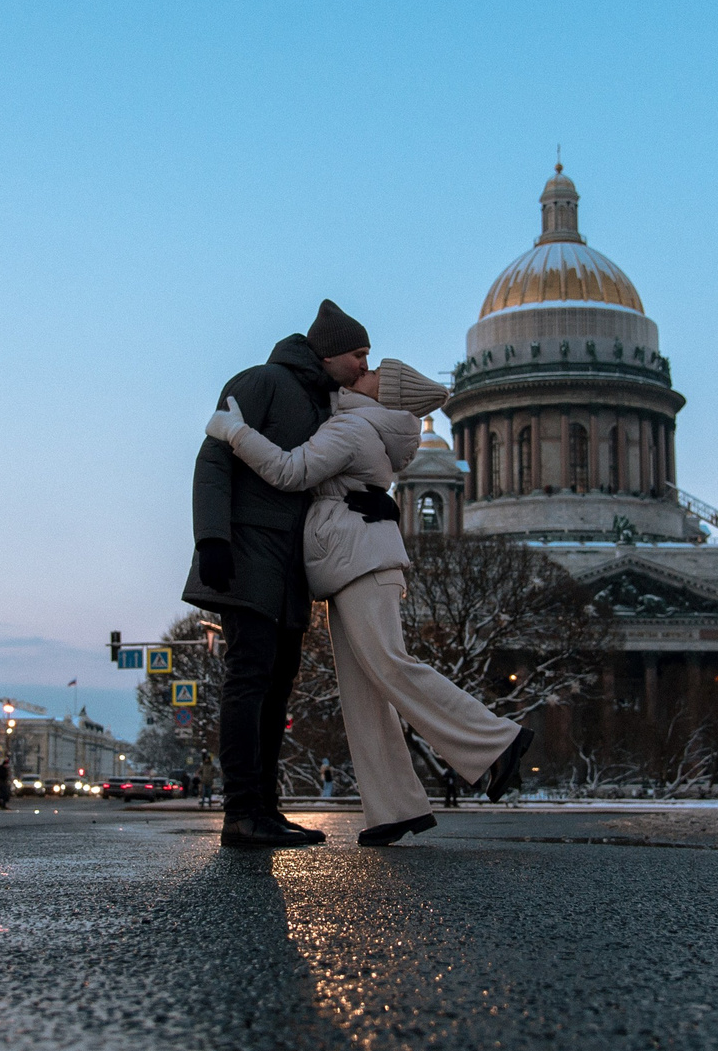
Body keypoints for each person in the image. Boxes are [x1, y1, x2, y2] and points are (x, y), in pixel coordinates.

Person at [207, 358, 535, 847]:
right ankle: (394, 808)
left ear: (383, 393)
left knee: (389, 663)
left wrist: (234, 431)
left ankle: (497, 743)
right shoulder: (363, 425)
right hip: (347, 562)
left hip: (361, 561)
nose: (363, 369)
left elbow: (289, 470)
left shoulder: (352, 428)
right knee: (363, 690)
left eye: (374, 371)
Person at [186, 302, 379, 850]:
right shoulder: (263, 381)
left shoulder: (329, 403)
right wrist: (212, 538)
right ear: (327, 352)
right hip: (247, 550)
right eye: (358, 354)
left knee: (277, 688)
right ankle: (242, 813)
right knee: (249, 680)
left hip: (293, 564)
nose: (366, 364)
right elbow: (215, 457)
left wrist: (370, 503)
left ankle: (264, 811)